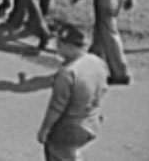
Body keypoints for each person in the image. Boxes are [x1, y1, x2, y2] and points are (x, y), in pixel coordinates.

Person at [37, 24, 109, 161]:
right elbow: (103, 89)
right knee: (70, 153)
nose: (56, 47)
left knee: (55, 152)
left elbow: (56, 107)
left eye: (59, 44)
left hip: (69, 129)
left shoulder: (67, 73)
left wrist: (44, 130)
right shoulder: (98, 62)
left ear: (68, 46)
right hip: (92, 123)